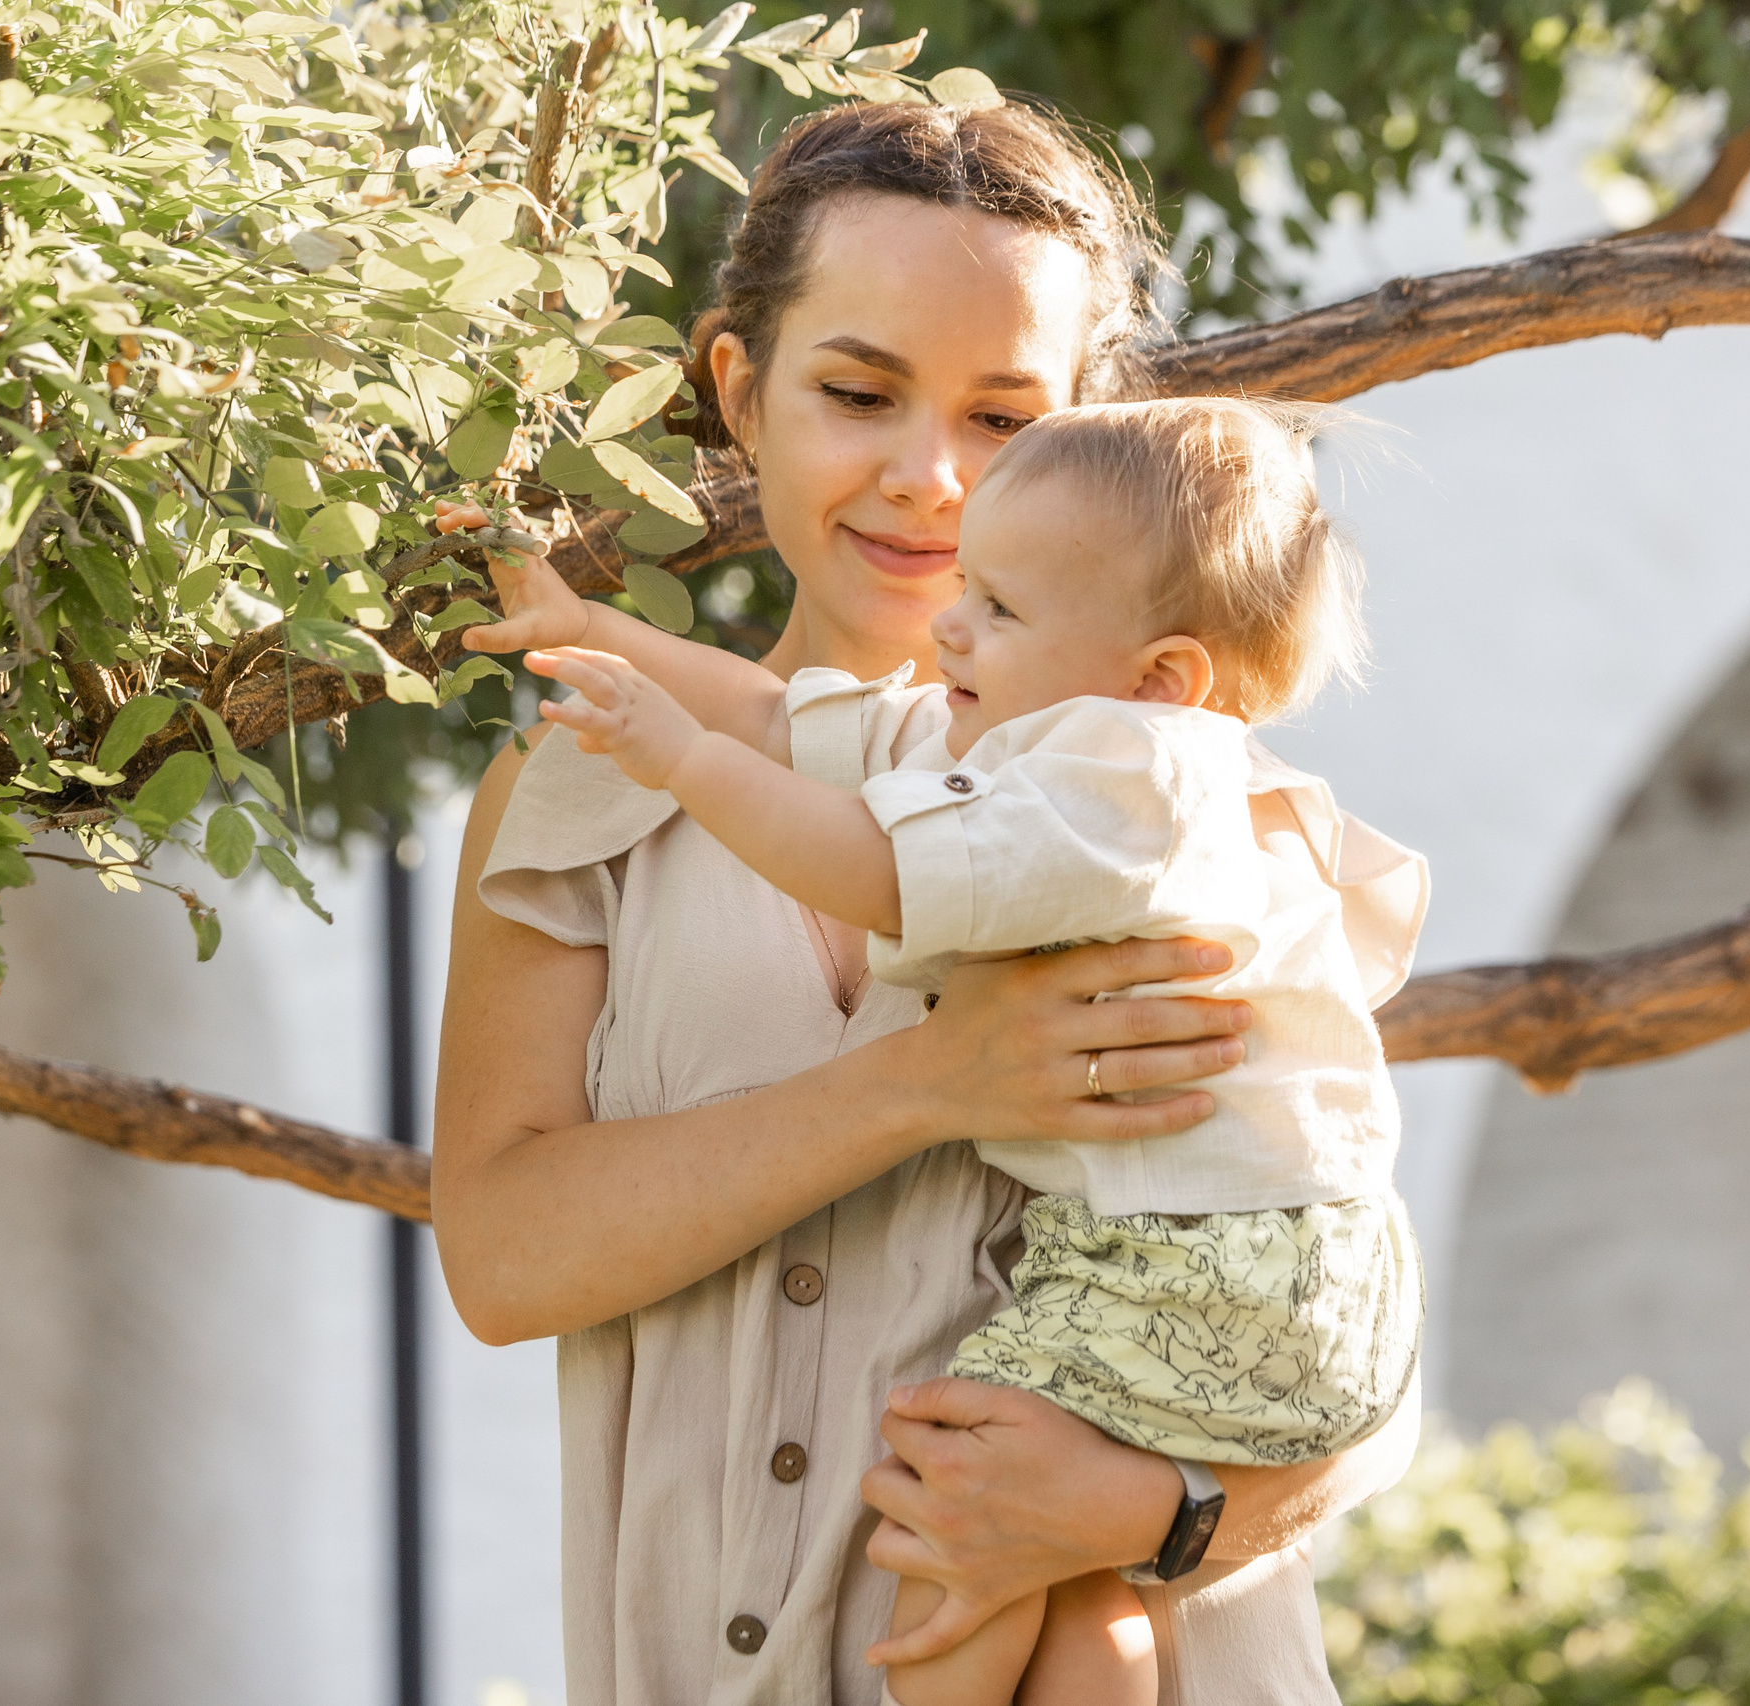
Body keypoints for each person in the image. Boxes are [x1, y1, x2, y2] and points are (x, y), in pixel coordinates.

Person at [432, 98, 1423, 1706]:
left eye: (1004, 416)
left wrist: (1141, 1515)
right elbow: (502, 1257)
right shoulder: (589, 798)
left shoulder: (1207, 823)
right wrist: (929, 1083)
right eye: (857, 391)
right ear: (738, 391)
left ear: (1091, 429)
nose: (929, 479)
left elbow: (1338, 1342)